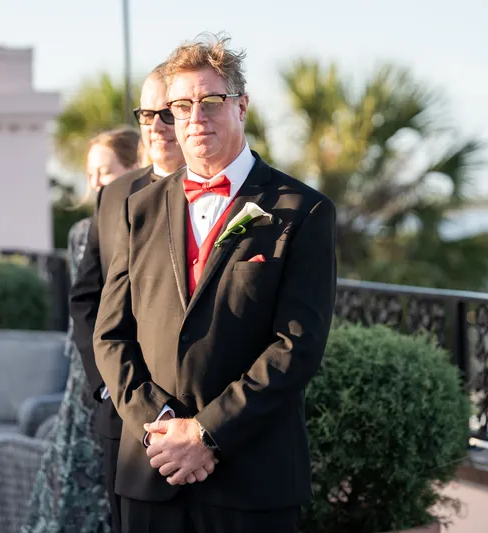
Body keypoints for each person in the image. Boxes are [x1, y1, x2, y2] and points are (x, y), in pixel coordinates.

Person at [92, 33, 338, 533]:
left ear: (241, 106)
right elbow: (110, 334)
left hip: (253, 479)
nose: (195, 118)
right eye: (181, 106)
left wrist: (206, 433)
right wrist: (160, 427)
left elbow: (297, 345)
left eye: (211, 102)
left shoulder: (301, 209)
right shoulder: (137, 208)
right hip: (152, 472)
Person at [70, 63, 186, 533]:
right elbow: (86, 298)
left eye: (167, 113)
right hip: (122, 410)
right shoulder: (114, 195)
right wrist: (107, 385)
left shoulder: (231, 195)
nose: (156, 126)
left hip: (202, 418)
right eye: (145, 114)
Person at [22, 126, 140, 533]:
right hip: (89, 372)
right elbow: (84, 306)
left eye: (105, 171)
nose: (95, 182)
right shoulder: (82, 233)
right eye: (91, 173)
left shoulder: (141, 223)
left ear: (133, 169)